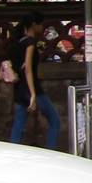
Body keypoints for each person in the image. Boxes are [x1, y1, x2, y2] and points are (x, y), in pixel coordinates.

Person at [9, 11, 60, 149]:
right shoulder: (30, 43)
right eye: (40, 24)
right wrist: (32, 94)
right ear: (34, 25)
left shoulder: (17, 43)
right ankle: (51, 152)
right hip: (33, 90)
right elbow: (28, 69)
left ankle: (11, 153)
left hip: (19, 90)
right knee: (55, 121)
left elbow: (21, 67)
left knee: (18, 125)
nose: (42, 27)